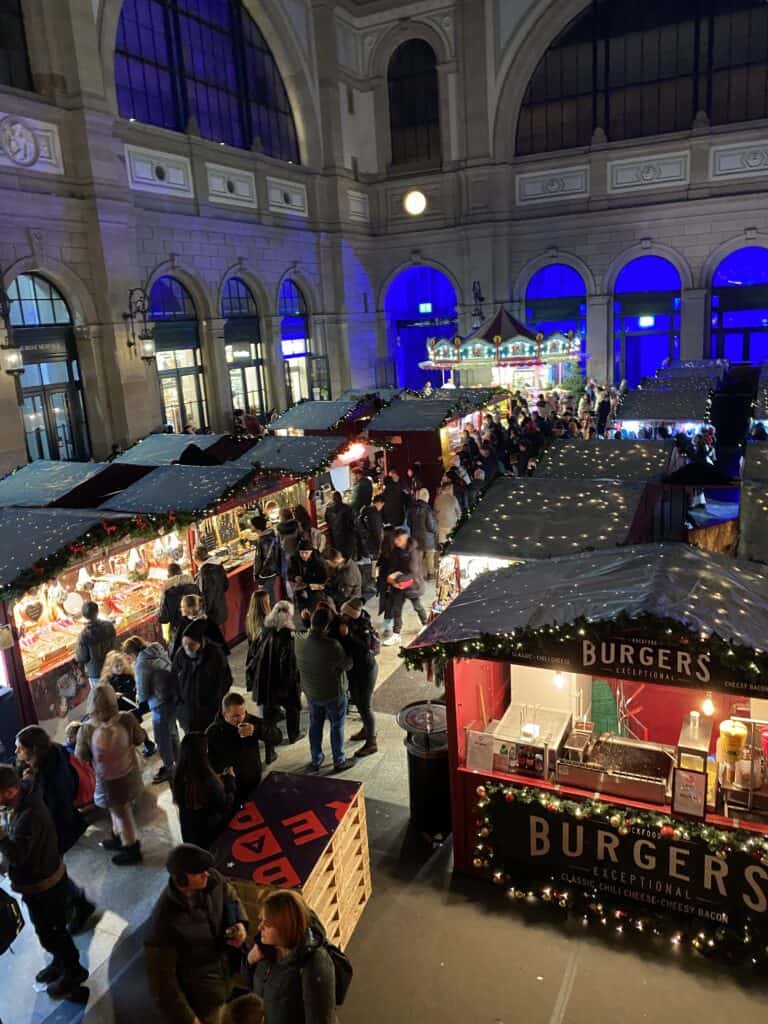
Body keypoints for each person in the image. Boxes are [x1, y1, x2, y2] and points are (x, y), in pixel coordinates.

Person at [0, 764, 88, 998]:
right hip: (36, 881)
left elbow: (18, 854)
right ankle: (60, 962)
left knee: (55, 931)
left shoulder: (30, 814)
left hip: (44, 883)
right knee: (45, 930)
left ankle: (73, 972)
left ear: (10, 792)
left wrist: (1, 838)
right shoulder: (21, 803)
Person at [145, 844, 248, 1024]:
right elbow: (162, 984)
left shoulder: (212, 880)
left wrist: (238, 923)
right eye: (199, 872)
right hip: (203, 1003)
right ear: (182, 880)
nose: (206, 874)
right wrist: (188, 1019)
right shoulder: (163, 923)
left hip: (228, 978)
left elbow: (230, 895)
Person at [14, 726, 95, 935]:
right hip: (57, 826)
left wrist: (29, 785)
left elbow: (51, 807)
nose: (16, 753)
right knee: (56, 871)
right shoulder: (52, 753)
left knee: (53, 873)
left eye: (19, 749)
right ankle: (76, 902)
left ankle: (77, 904)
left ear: (33, 750)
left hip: (57, 829)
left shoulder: (51, 777)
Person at [76, 683, 146, 865]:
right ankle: (118, 838)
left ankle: (131, 848)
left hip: (108, 781)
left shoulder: (87, 728)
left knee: (121, 814)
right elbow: (139, 739)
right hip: (130, 773)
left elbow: (81, 755)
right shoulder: (126, 718)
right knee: (121, 810)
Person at [248, 889, 337, 1024]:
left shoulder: (314, 964)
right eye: (261, 920)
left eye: (267, 924)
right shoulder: (265, 949)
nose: (260, 927)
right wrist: (249, 961)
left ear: (284, 927)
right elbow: (253, 987)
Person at [293, 606, 353, 773]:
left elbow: (305, 633)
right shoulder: (332, 645)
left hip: (311, 692)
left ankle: (316, 759)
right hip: (333, 692)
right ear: (327, 626)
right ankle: (339, 760)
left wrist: (306, 622)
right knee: (337, 726)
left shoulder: (298, 639)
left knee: (315, 725)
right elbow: (347, 664)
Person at [246, 601, 302, 758]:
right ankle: (293, 735)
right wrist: (295, 684)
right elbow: (289, 665)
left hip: (265, 681)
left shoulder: (263, 632)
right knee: (292, 709)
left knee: (269, 718)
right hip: (284, 684)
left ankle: (270, 751)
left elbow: (252, 656)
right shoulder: (288, 638)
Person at [123, 635, 180, 784]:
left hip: (159, 702)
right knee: (173, 732)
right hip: (172, 697)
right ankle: (180, 762)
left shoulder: (141, 663)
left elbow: (142, 693)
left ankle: (169, 768)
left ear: (132, 653)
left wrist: (137, 697)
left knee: (162, 738)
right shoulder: (157, 648)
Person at [206, 692, 281, 802]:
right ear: (224, 714)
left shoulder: (251, 721)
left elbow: (277, 737)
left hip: (253, 781)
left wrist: (257, 730)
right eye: (236, 716)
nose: (241, 718)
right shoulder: (213, 732)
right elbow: (207, 760)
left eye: (243, 713)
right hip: (229, 787)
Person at [170, 733, 237, 848]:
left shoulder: (179, 775)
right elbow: (226, 806)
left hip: (191, 835)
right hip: (212, 836)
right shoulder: (208, 781)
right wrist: (230, 779)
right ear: (203, 753)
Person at [172, 618, 233, 735]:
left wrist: (216, 702)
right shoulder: (180, 654)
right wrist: (179, 703)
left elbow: (225, 680)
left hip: (210, 709)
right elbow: (174, 679)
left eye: (191, 644)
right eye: (184, 644)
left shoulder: (215, 653)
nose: (187, 648)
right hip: (188, 711)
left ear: (200, 642)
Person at [339, 599, 378, 758]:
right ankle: (366, 730)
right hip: (355, 670)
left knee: (366, 706)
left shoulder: (363, 626)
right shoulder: (348, 620)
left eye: (344, 614)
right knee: (358, 702)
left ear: (351, 615)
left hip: (366, 670)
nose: (342, 616)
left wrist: (347, 636)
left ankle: (372, 742)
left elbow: (364, 649)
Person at [99, 650, 156, 758]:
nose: (120, 668)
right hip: (118, 711)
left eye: (121, 665)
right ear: (110, 667)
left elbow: (134, 691)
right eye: (116, 666)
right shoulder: (107, 681)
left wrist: (123, 694)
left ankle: (149, 745)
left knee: (136, 729)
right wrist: (112, 695)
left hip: (131, 708)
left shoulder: (128, 676)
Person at [383, 528, 428, 646]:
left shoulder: (413, 552)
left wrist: (396, 578)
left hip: (413, 585)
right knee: (396, 609)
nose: (397, 542)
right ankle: (396, 634)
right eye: (395, 540)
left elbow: (413, 572)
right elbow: (393, 565)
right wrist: (391, 577)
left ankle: (426, 624)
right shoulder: (395, 551)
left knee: (417, 606)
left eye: (399, 539)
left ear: (406, 537)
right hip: (399, 586)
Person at [170, 593, 227, 661]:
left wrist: (173, 659)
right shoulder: (207, 620)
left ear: (189, 608)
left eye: (182, 606)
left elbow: (177, 643)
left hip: (198, 661)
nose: (181, 609)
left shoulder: (184, 624)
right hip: (213, 658)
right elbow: (219, 639)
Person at [75, 600, 117, 686]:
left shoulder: (83, 635)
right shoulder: (109, 625)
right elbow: (115, 644)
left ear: (84, 616)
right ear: (98, 611)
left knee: (101, 697)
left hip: (97, 672)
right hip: (112, 666)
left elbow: (82, 658)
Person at [158, 562, 201, 644]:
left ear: (168, 576)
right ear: (181, 572)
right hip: (196, 624)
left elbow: (163, 618)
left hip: (179, 630)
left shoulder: (167, 594)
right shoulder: (194, 587)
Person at [288, 539, 328, 623]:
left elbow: (323, 579)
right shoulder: (294, 558)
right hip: (300, 586)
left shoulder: (319, 561)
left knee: (315, 603)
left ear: (311, 551)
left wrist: (308, 584)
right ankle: (305, 619)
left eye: (306, 553)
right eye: (301, 552)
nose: (303, 555)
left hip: (314, 588)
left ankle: (316, 620)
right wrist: (295, 577)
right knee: (300, 604)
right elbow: (290, 572)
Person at [251, 514, 287, 606]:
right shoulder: (272, 535)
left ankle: (273, 616)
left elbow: (260, 560)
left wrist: (257, 575)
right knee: (270, 594)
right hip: (274, 570)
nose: (251, 527)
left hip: (266, 573)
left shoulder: (262, 540)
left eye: (252, 525)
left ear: (256, 527)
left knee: (268, 597)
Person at [195, 545, 230, 629]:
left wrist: (204, 613)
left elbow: (205, 596)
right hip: (221, 606)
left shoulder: (204, 574)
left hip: (211, 613)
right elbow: (226, 585)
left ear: (196, 559)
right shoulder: (217, 565)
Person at [407, 487, 438, 581]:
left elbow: (409, 523)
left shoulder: (412, 508)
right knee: (430, 557)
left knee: (418, 558)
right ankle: (430, 575)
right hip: (428, 539)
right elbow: (431, 526)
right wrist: (435, 530)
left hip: (416, 537)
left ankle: (418, 575)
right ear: (426, 497)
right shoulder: (428, 510)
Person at [324, 492, 357, 560]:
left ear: (333, 499)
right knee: (347, 557)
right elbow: (353, 522)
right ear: (341, 498)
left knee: (338, 557)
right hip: (347, 537)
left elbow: (327, 521)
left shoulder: (328, 510)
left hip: (335, 538)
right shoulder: (347, 508)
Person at [434, 480, 461, 544]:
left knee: (441, 545)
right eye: (451, 488)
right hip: (451, 525)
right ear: (447, 488)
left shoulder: (437, 498)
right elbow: (459, 513)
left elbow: (435, 511)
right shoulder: (453, 498)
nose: (452, 490)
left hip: (440, 526)